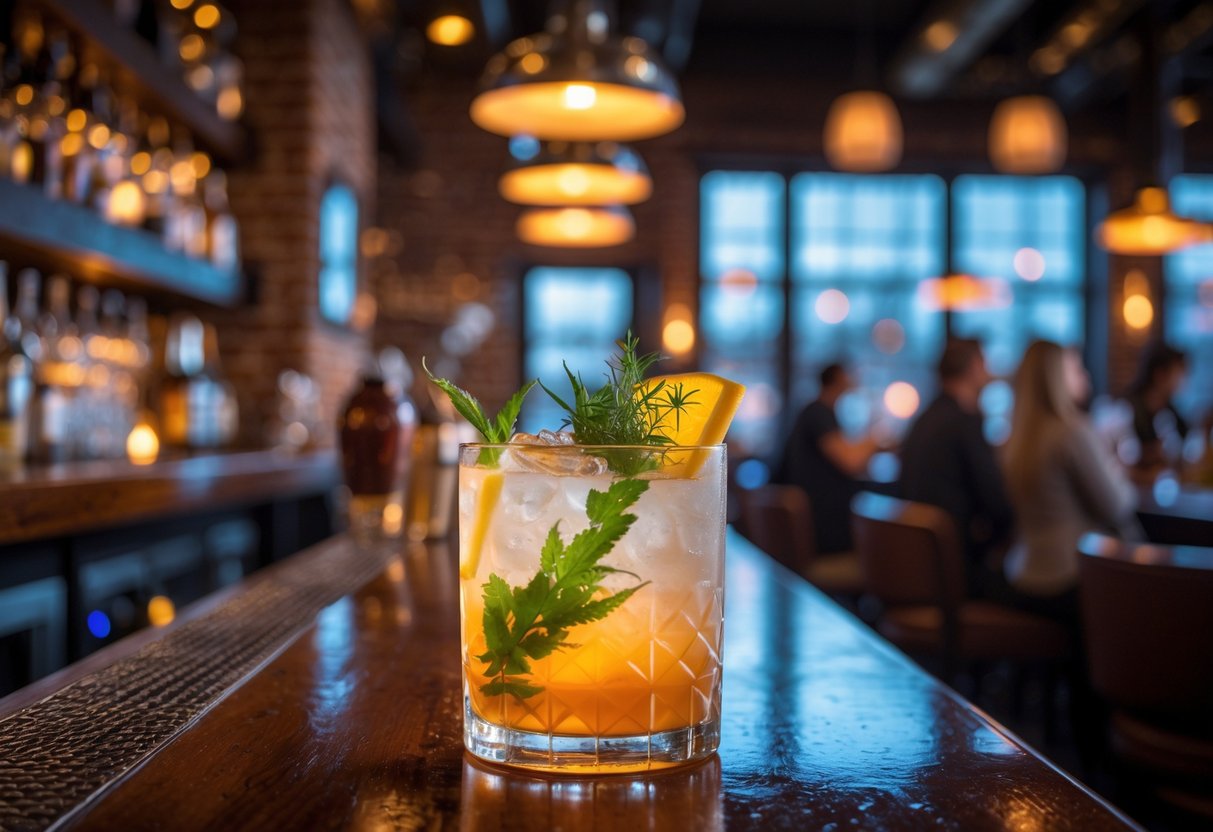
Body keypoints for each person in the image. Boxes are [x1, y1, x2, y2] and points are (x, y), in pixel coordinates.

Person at [1000, 341, 1139, 618]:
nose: (1085, 374)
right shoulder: (1072, 432)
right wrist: (1117, 467)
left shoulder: (1014, 438)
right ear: (1056, 377)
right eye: (1076, 368)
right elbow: (1117, 506)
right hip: (1070, 578)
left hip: (1022, 575)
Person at [898, 338, 1013, 591]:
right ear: (973, 367)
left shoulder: (926, 418)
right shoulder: (963, 421)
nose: (988, 371)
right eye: (985, 363)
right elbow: (996, 503)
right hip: (954, 567)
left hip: (919, 562)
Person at [773, 363, 879, 555]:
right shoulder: (818, 412)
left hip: (814, 521)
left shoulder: (817, 411)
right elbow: (851, 462)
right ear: (838, 379)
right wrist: (875, 437)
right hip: (821, 528)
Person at [1124, 343, 1189, 471]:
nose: (1182, 381)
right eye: (1178, 374)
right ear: (1160, 375)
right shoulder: (1124, 413)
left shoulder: (1171, 414)